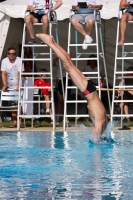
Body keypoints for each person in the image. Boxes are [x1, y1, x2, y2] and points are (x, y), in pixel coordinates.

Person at [36, 33, 107, 138]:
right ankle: (50, 43)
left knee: (69, 63)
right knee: (68, 65)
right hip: (88, 91)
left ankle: (53, 42)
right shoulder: (100, 124)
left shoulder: (103, 122)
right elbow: (97, 133)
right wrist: (96, 138)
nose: (92, 131)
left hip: (90, 89)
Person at [1, 47, 25, 128]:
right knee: (13, 105)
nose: (12, 55)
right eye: (10, 54)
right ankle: (15, 122)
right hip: (10, 84)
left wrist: (19, 85)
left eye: (14, 54)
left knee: (19, 104)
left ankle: (20, 122)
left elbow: (20, 73)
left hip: (18, 83)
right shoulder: (4, 61)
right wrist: (4, 85)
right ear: (7, 54)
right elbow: (3, 73)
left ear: (16, 54)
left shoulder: (19, 60)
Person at [53, 56, 72, 122]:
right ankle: (58, 117)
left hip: (67, 80)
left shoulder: (69, 61)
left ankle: (65, 117)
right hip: (60, 80)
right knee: (60, 100)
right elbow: (53, 63)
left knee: (65, 100)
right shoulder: (59, 60)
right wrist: (58, 56)